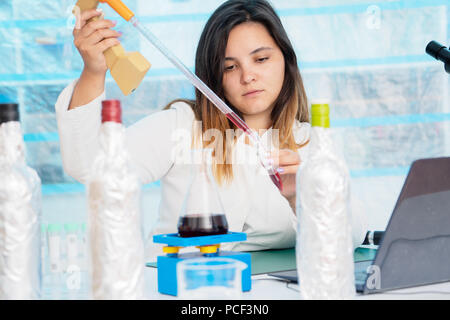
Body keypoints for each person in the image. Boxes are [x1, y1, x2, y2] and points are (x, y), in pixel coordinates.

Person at [55, 0, 367, 260]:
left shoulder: (310, 143)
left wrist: (304, 195)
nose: (248, 76)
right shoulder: (182, 126)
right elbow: (90, 168)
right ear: (211, 77)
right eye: (229, 66)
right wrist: (94, 72)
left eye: (261, 59)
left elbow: (352, 237)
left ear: (286, 60)